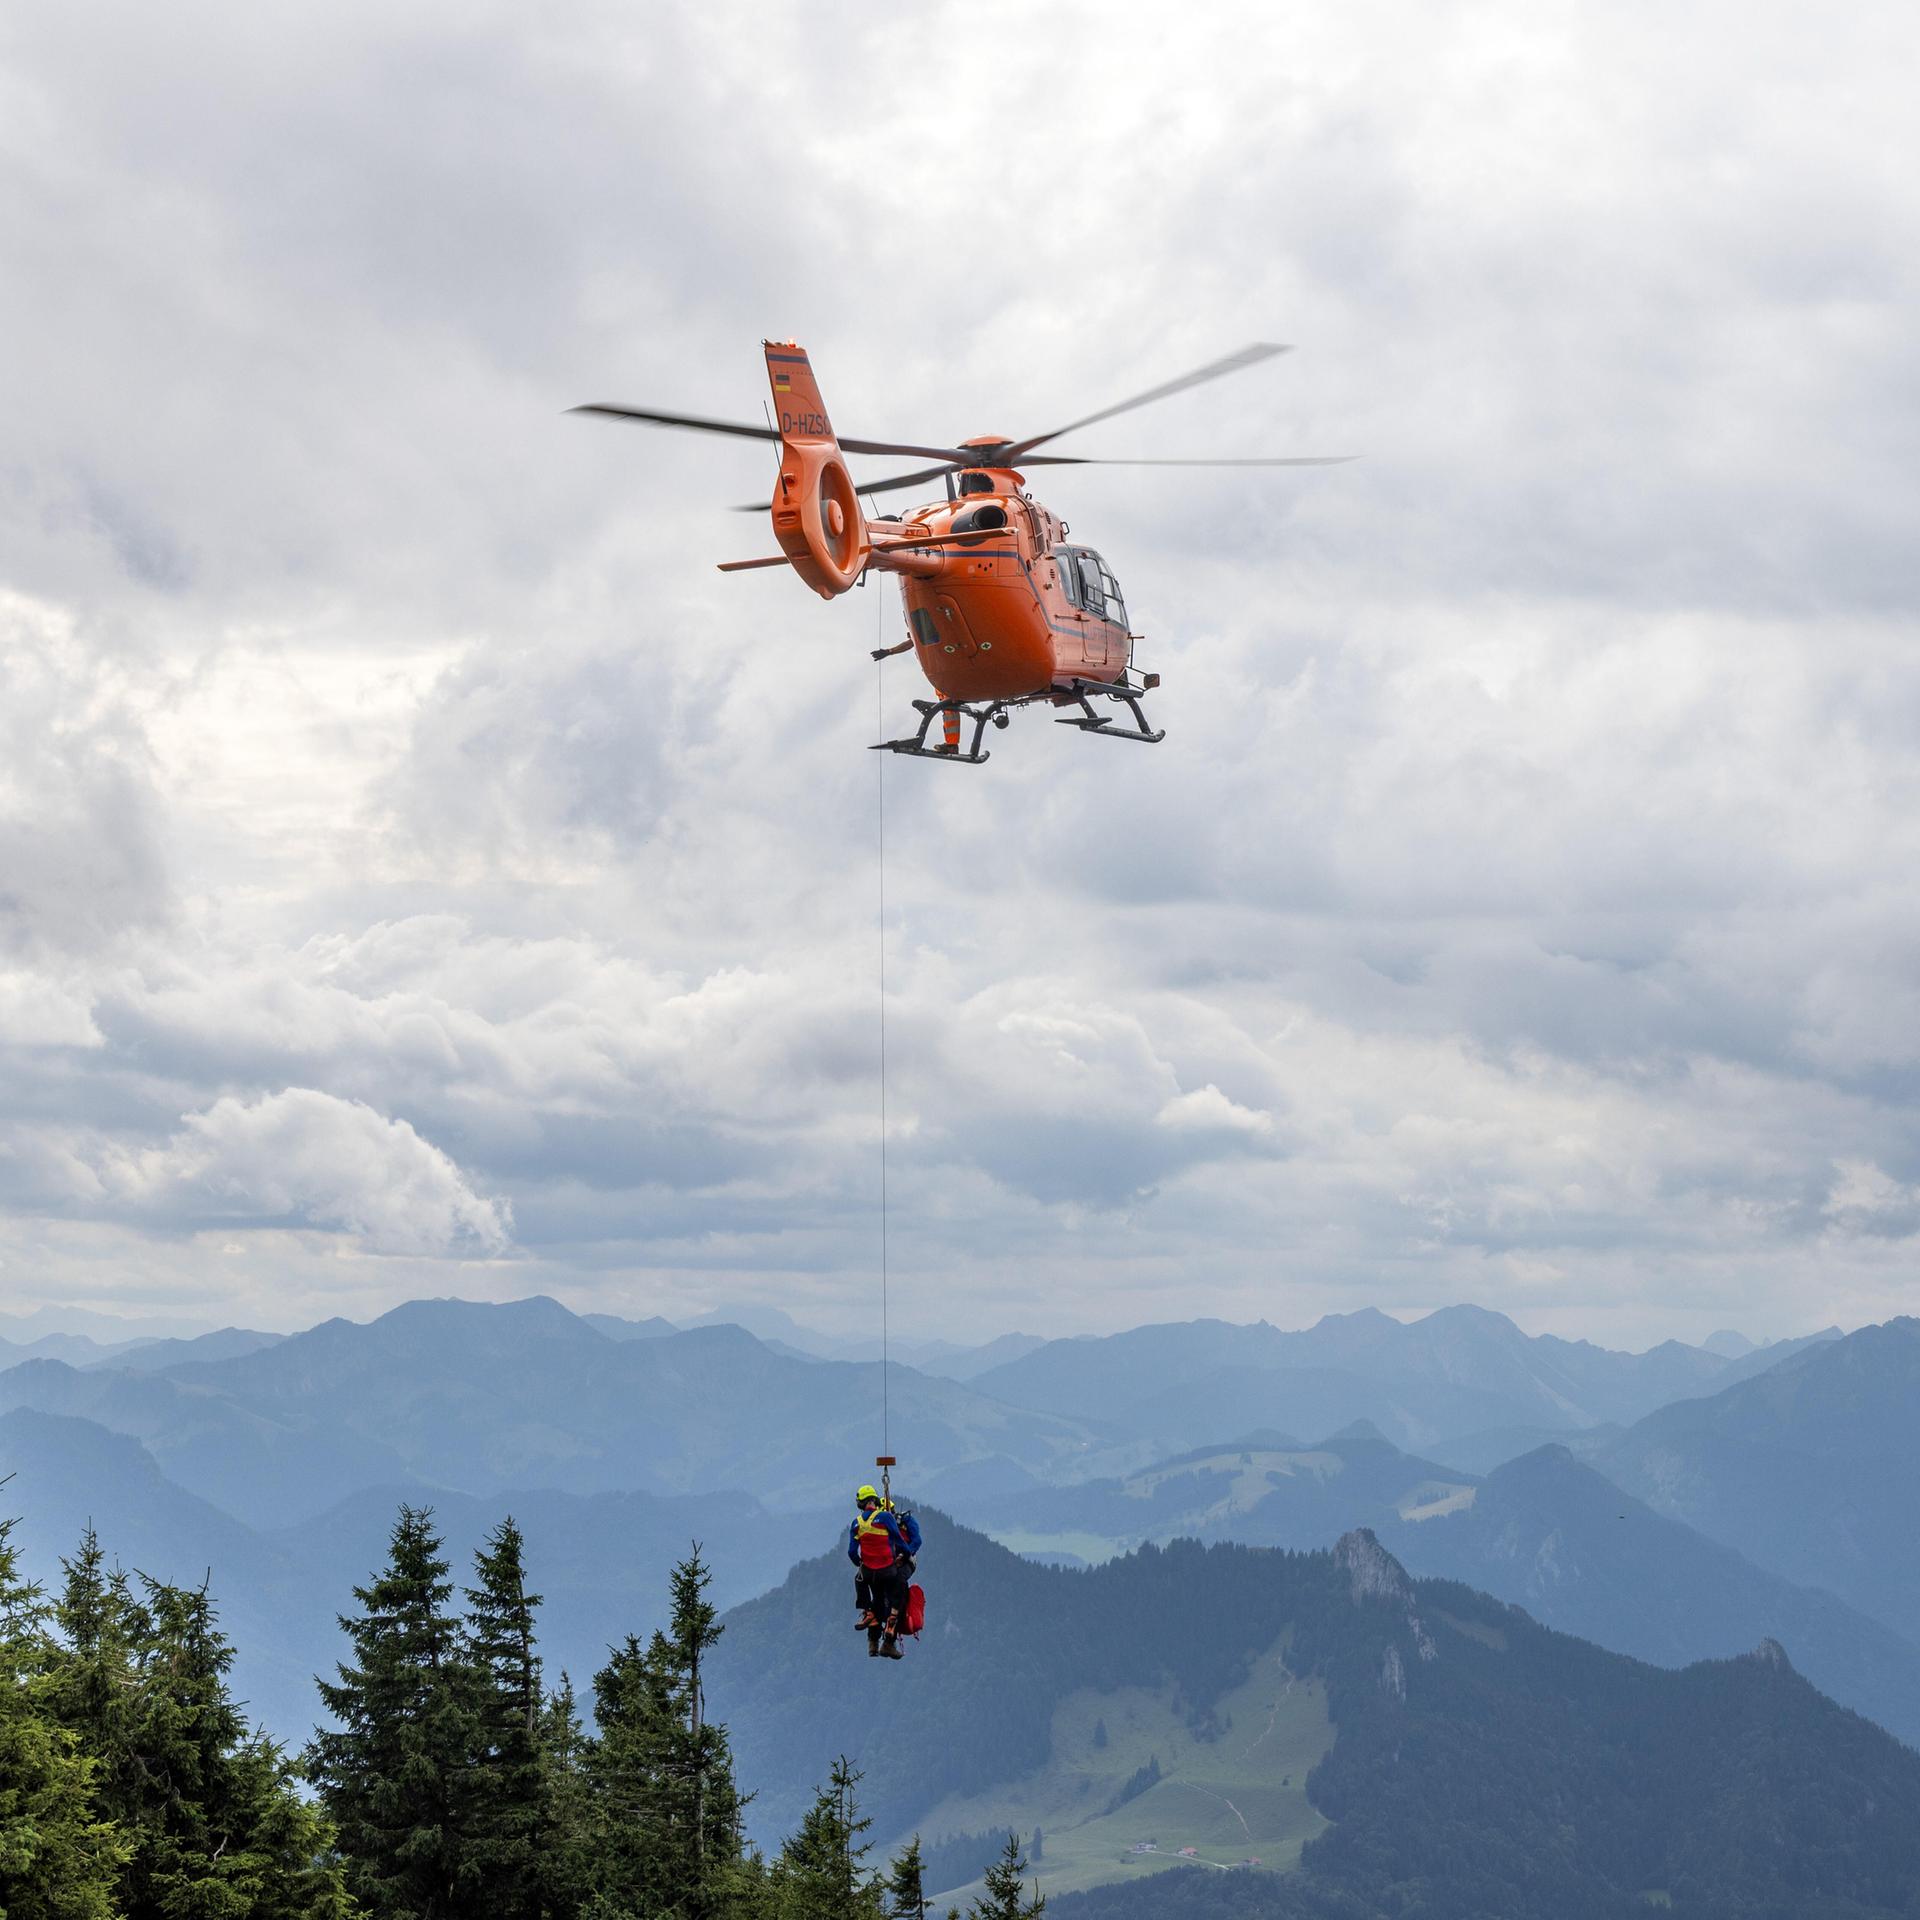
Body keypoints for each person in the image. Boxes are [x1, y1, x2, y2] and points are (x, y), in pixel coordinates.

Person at [848, 1484, 920, 1660]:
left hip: (891, 1565)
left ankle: (880, 1638)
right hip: (888, 1566)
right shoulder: (884, 1520)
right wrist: (903, 1554)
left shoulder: (901, 1521)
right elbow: (896, 1541)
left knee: (886, 1595)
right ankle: (881, 1639)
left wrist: (905, 1555)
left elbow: (915, 1541)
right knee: (888, 1599)